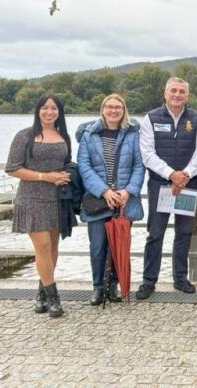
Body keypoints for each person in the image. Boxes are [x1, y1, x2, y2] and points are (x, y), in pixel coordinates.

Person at [136, 77, 197, 299]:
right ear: (165, 94)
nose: (177, 95)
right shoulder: (151, 118)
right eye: (173, 91)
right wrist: (171, 174)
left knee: (184, 233)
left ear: (188, 95)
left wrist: (185, 175)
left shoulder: (196, 119)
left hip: (187, 185)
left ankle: (180, 278)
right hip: (160, 185)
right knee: (155, 234)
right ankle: (149, 281)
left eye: (182, 91)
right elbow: (147, 153)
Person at [5, 94, 72, 318]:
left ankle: (42, 294)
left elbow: (66, 163)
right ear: (38, 110)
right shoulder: (25, 135)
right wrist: (46, 176)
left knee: (52, 247)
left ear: (59, 112)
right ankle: (54, 298)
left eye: (54, 108)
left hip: (56, 198)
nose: (49, 112)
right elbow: (13, 168)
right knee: (42, 246)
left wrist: (65, 176)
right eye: (45, 108)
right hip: (32, 197)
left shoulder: (63, 136)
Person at [77, 94, 145, 306]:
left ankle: (114, 284)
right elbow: (84, 166)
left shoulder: (133, 135)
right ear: (102, 109)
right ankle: (98, 287)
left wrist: (129, 191)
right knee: (97, 245)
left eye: (118, 107)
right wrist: (104, 191)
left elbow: (139, 165)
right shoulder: (89, 135)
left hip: (124, 201)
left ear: (124, 110)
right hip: (99, 200)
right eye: (109, 107)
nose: (113, 110)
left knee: (118, 244)